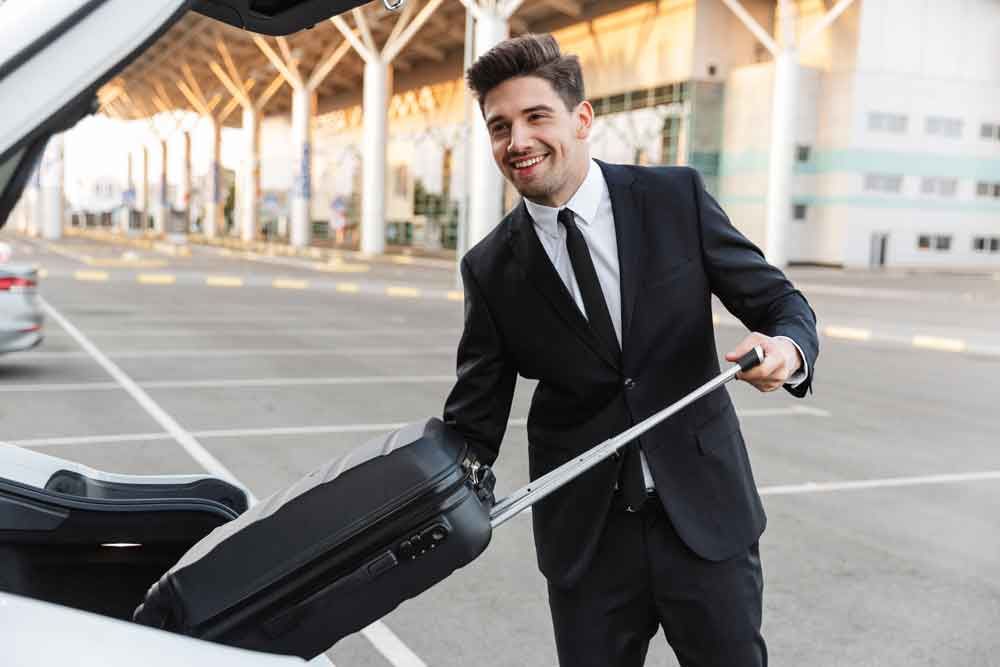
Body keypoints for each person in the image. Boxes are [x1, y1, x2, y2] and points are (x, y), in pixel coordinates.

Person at [443, 33, 818, 667]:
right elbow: (472, 424)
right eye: (499, 126)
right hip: (587, 545)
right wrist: (399, 501)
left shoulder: (676, 199)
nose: (518, 141)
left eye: (537, 117)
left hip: (705, 521)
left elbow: (783, 305)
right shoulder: (489, 268)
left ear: (582, 118)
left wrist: (786, 349)